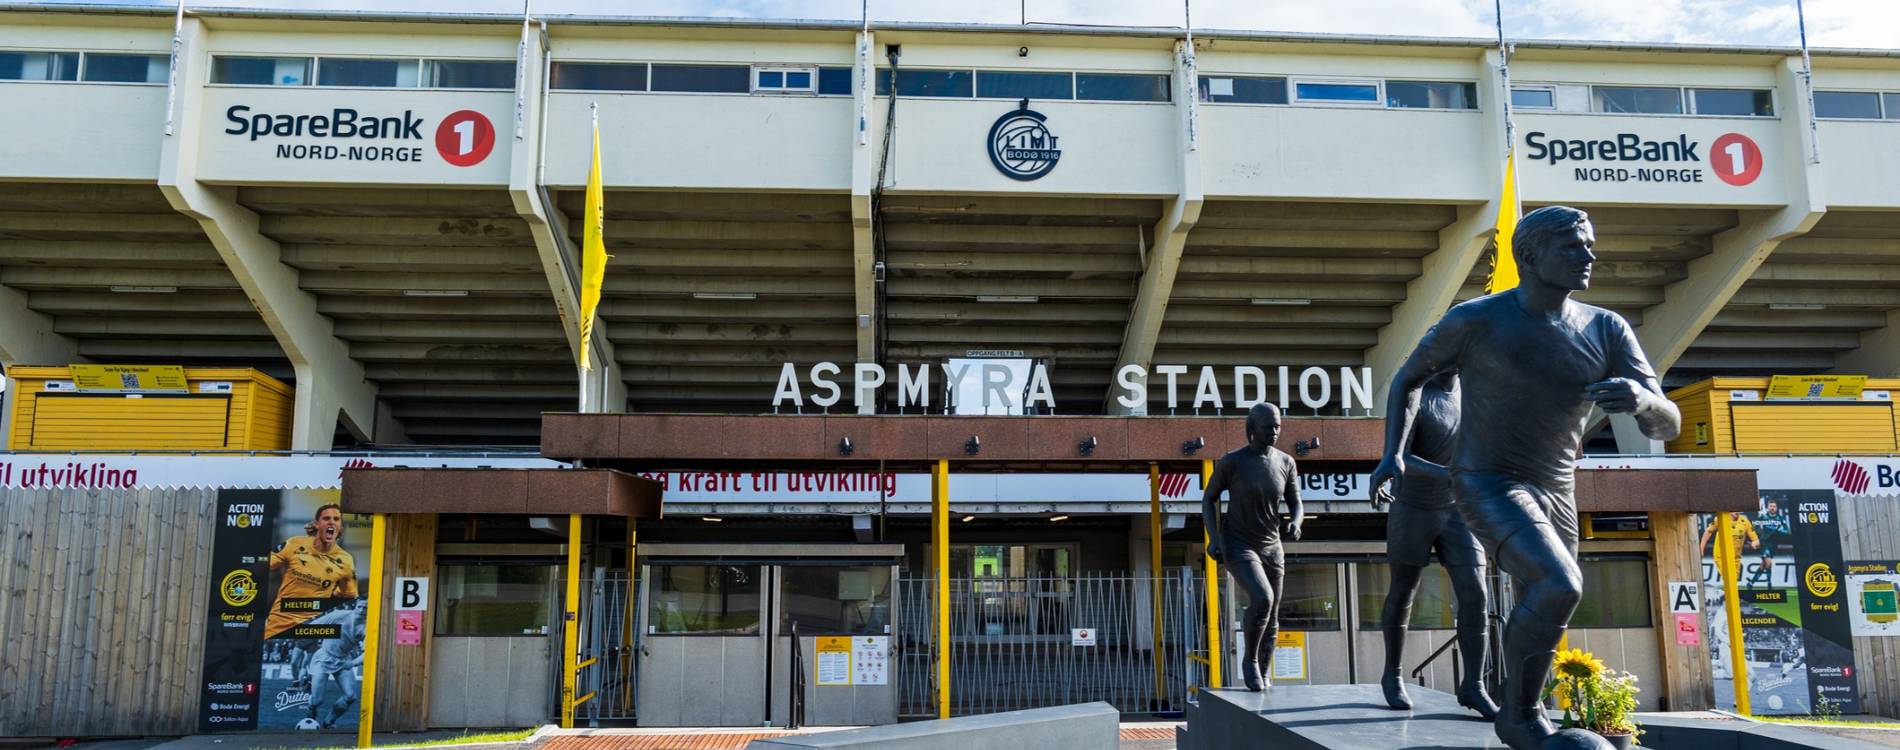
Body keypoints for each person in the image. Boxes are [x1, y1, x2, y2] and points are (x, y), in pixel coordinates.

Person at [1372, 206, 1680, 750]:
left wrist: (1643, 399)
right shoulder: (1476, 320)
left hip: (1558, 489)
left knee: (1545, 597)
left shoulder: (1607, 328)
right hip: (1487, 480)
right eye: (1573, 246)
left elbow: (1667, 423)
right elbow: (1408, 378)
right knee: (1558, 584)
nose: (1589, 255)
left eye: (1589, 244)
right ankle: (1519, 715)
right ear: (1530, 257)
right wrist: (1392, 454)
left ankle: (1515, 709)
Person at [1371, 371, 1499, 720]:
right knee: (1403, 590)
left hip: (1458, 510)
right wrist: (1448, 474)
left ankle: (1474, 684)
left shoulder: (1474, 393)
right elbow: (1400, 456)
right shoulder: (1415, 395)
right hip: (1413, 508)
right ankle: (1393, 674)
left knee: (1476, 593)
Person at [1203, 402, 1303, 691]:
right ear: (1252, 429)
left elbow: (1296, 502)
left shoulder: (1286, 462)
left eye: (1278, 426)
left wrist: (1296, 522)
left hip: (1272, 546)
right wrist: (1214, 538)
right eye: (1268, 427)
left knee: (1273, 615)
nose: (1274, 432)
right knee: (1263, 599)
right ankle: (1250, 661)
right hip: (1239, 543)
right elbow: (1209, 498)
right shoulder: (1233, 461)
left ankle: (1265, 672)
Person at [265, 503, 359, 639]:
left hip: (312, 631)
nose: (331, 522)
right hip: (278, 627)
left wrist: (326, 598)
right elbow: (265, 565)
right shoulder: (294, 543)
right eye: (326, 518)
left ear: (341, 527)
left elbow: (349, 596)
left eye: (336, 519)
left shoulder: (346, 560)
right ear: (316, 524)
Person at [302, 603, 366, 729]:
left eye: (366, 608)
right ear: (356, 606)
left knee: (350, 696)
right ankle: (311, 708)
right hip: (323, 658)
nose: (362, 610)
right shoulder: (339, 615)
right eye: (360, 606)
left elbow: (369, 652)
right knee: (317, 700)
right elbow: (314, 626)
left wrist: (352, 663)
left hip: (343, 660)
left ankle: (329, 721)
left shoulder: (367, 628)